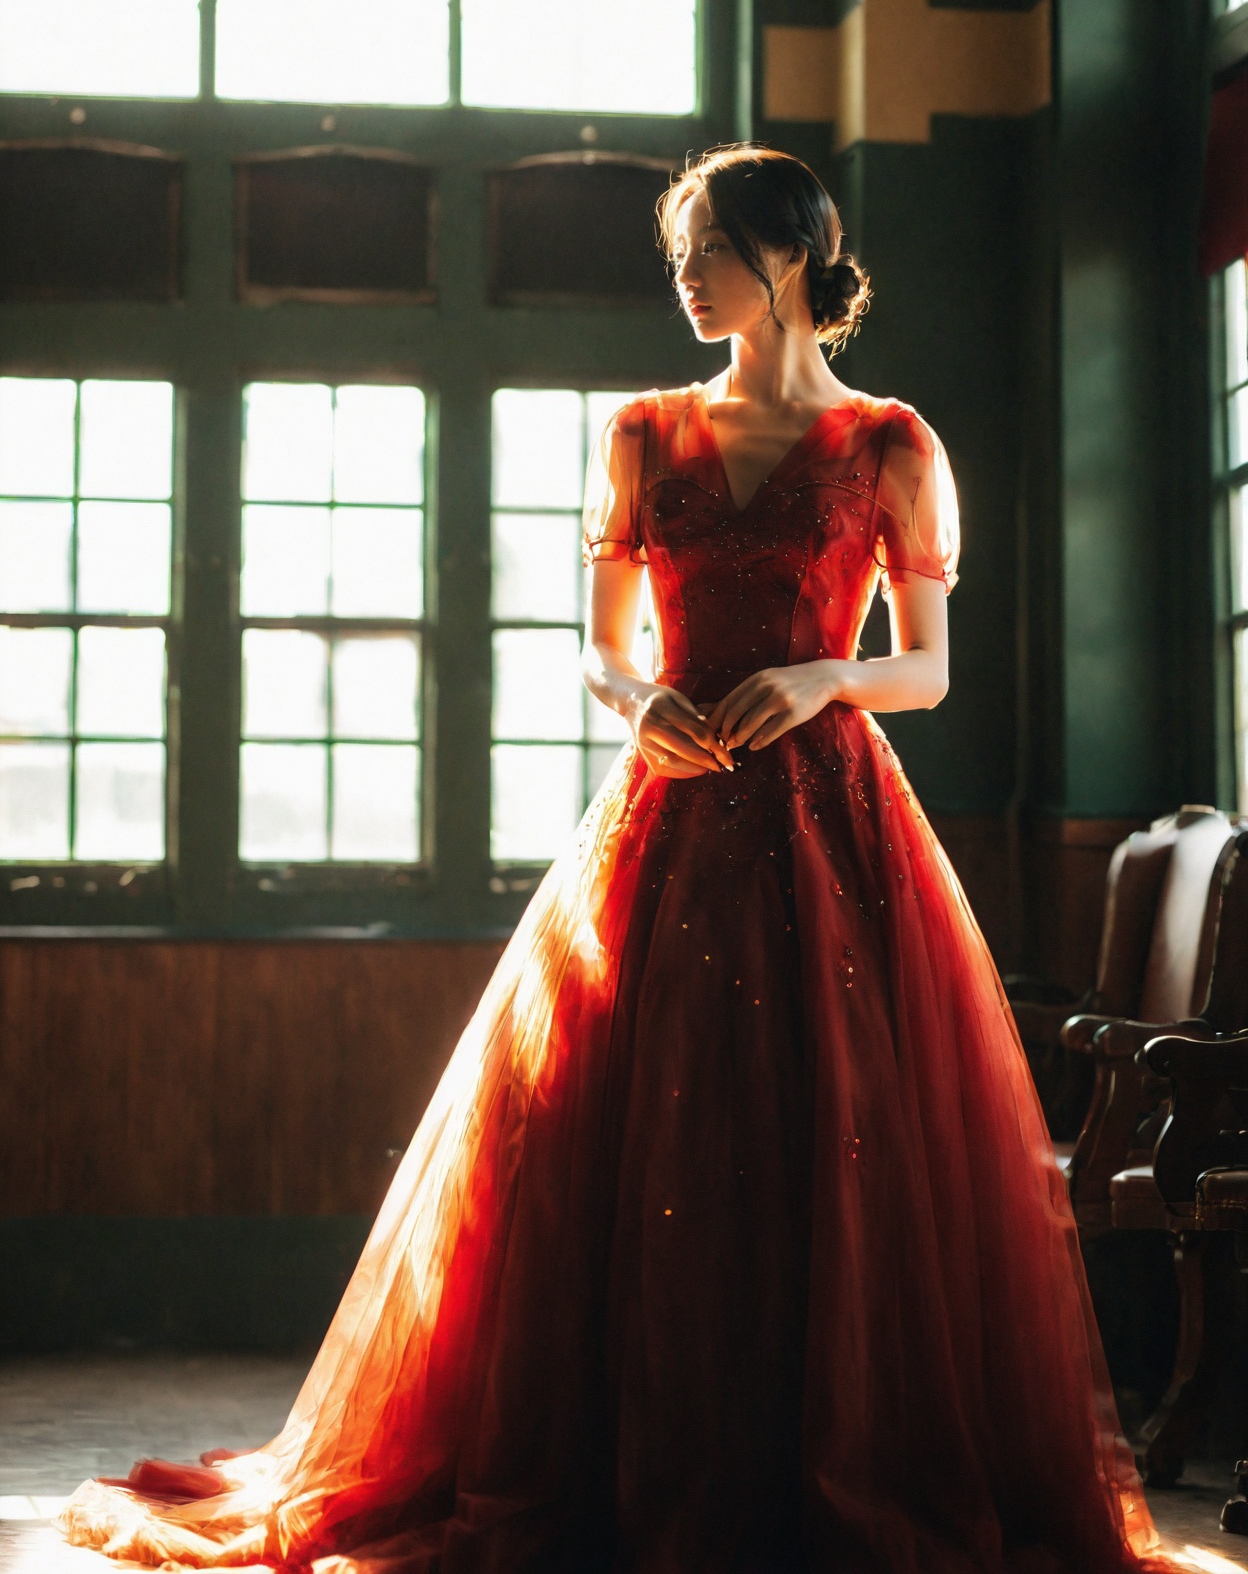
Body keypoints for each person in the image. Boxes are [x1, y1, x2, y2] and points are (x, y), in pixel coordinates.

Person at [62, 146, 1173, 1572]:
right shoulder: (644, 433)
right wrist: (645, 699)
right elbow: (597, 648)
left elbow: (932, 671)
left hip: (833, 828)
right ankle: (625, 1465)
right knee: (626, 1140)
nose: (683, 276)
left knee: (833, 1149)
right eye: (677, 255)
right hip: (668, 816)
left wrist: (829, 680)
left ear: (785, 254)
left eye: (702, 248)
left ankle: (813, 1466)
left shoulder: (892, 441)